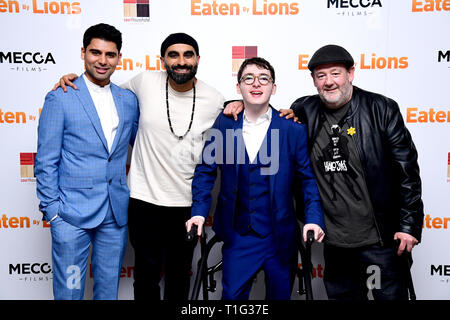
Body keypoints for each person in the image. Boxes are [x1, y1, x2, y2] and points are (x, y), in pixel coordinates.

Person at [225, 45, 424, 300]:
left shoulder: (381, 109)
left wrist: (409, 225)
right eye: (321, 76)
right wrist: (236, 104)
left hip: (380, 241)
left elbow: (407, 171)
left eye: (335, 73)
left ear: (350, 74)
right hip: (336, 243)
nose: (329, 82)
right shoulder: (304, 110)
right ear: (314, 81)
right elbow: (264, 114)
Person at [55, 33, 225, 300]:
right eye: (173, 55)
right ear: (163, 60)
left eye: (188, 55)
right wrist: (71, 79)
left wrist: (251, 105)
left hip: (187, 205)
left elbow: (245, 118)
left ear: (198, 59)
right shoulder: (144, 82)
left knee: (179, 278)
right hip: (143, 200)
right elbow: (100, 90)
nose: (181, 61)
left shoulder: (214, 99)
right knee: (146, 276)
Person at [186, 57, 325, 300]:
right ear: (238, 87)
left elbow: (307, 180)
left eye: (264, 78)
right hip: (239, 236)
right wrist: (198, 212)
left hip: (280, 237)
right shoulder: (225, 124)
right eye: (248, 78)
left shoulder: (292, 128)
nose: (256, 84)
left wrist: (314, 218)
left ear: (274, 87)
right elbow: (206, 169)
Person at [35, 23, 139, 300]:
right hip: (70, 216)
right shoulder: (61, 97)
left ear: (119, 57)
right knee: (69, 292)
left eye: (110, 54)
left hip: (114, 215)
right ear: (83, 53)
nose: (102, 61)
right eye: (95, 52)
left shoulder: (128, 99)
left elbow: (152, 140)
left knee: (107, 293)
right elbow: (45, 161)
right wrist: (53, 212)